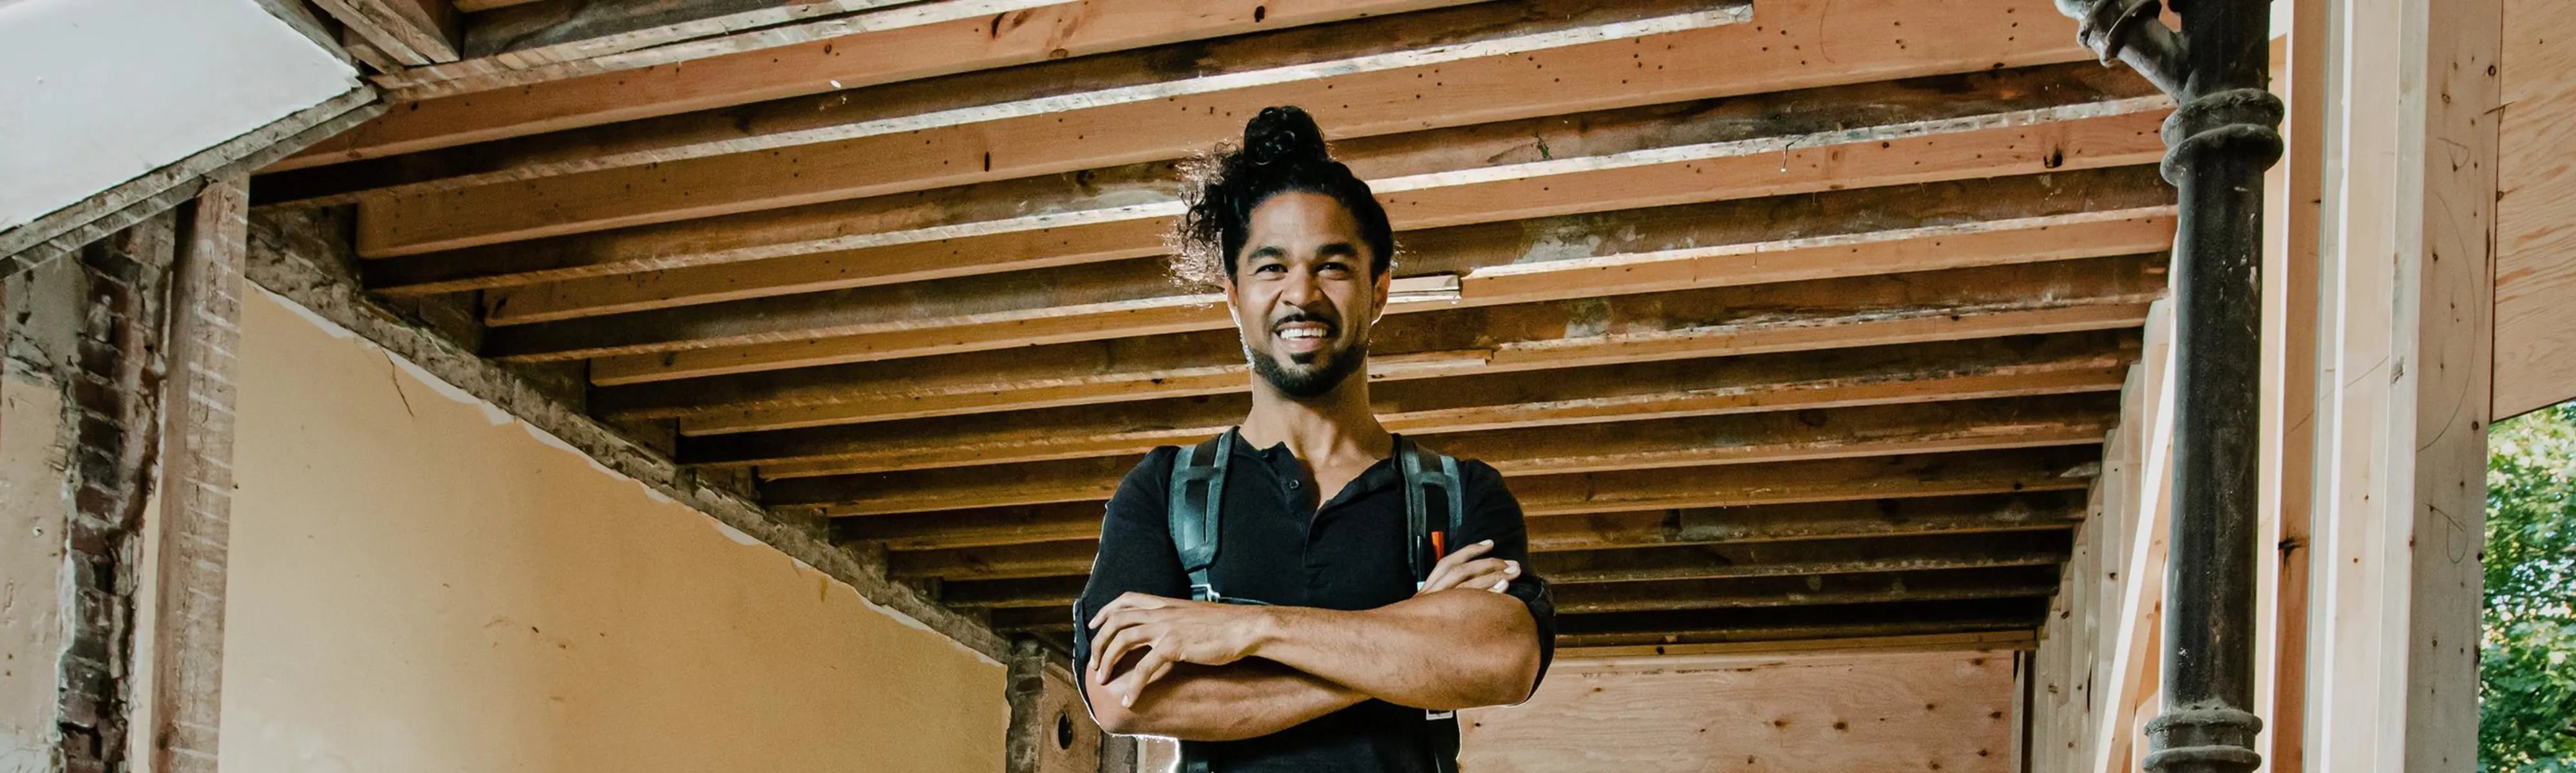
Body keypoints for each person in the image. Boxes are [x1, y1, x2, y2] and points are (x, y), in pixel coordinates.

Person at [1073, 105, 1555, 773]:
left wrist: (1247, 629)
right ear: (1234, 295)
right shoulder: (1164, 491)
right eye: (1272, 268)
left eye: (1332, 266)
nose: (1301, 293)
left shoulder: (1458, 494)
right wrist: (1412, 638)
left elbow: (1504, 660)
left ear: (1378, 291)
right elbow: (1124, 694)